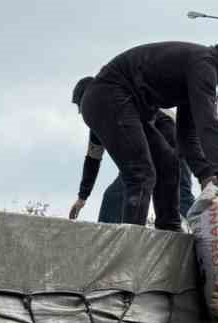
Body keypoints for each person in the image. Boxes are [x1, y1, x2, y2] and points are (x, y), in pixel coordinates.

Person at [77, 26, 218, 230]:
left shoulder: (201, 69)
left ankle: (169, 230)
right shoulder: (204, 65)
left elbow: (187, 135)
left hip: (128, 105)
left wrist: (206, 176)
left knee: (169, 164)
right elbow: (208, 124)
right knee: (141, 173)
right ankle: (132, 247)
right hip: (108, 97)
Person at [67, 80, 195, 225]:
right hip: (172, 139)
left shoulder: (116, 105)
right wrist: (82, 197)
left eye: (81, 106)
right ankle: (207, 228)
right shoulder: (102, 119)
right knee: (180, 194)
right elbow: (92, 160)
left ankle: (109, 241)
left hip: (167, 135)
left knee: (116, 196)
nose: (83, 113)